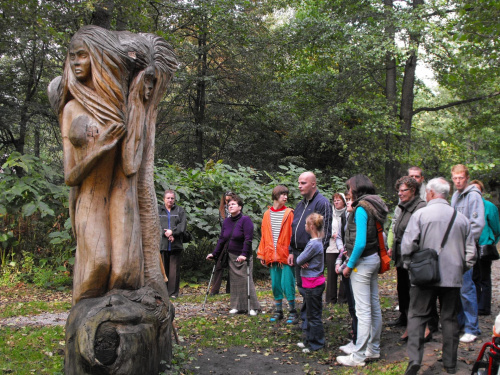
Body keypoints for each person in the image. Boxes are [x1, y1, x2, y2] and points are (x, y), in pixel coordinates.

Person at [401, 177, 477, 375]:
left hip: (424, 276)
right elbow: (471, 253)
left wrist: (411, 266)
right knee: (450, 319)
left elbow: (408, 245)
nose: (426, 194)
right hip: (452, 277)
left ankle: (415, 360)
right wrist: (461, 269)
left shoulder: (420, 215)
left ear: (432, 193)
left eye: (427, 192)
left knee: (417, 316)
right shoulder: (461, 218)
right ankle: (450, 364)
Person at [336, 174, 388, 367]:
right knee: (374, 307)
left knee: (363, 310)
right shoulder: (375, 204)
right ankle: (373, 350)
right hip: (374, 258)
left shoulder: (361, 208)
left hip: (363, 262)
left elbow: (359, 243)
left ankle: (358, 356)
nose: (348, 192)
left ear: (357, 189)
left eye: (349, 188)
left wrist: (349, 266)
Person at [287, 172, 332, 327]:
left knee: (311, 291)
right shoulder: (300, 205)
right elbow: (294, 229)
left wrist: (312, 258)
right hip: (298, 253)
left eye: (303, 183)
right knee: (303, 288)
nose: (299, 186)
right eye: (299, 183)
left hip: (311, 256)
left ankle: (310, 323)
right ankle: (307, 321)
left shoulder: (322, 203)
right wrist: (291, 251)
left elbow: (325, 233)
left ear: (313, 184)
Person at [207, 195, 261, 315]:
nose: (230, 206)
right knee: (235, 282)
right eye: (229, 205)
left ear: (240, 207)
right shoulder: (226, 221)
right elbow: (222, 239)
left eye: (233, 204)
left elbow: (248, 239)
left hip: (243, 256)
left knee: (246, 280)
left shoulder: (245, 220)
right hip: (231, 255)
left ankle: (253, 307)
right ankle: (237, 306)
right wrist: (214, 254)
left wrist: (244, 254)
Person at [389, 176, 426, 341]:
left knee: (414, 292)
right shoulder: (402, 206)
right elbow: (396, 226)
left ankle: (419, 326)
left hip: (414, 257)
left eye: (403, 190)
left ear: (413, 190)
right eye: (399, 190)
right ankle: (404, 316)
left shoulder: (420, 207)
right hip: (401, 255)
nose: (400, 193)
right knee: (402, 288)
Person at [451, 164, 485, 343]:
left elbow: (477, 225)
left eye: (461, 178)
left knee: (466, 288)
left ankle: (472, 327)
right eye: (455, 178)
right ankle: (461, 323)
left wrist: (464, 243)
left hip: (465, 249)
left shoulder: (473, 196)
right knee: (457, 288)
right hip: (454, 249)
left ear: (467, 178)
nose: (458, 181)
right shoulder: (455, 195)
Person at [257, 185, 296, 322]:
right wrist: (262, 253)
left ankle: (293, 312)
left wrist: (292, 252)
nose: (285, 197)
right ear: (275, 196)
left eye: (286, 194)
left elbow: (293, 235)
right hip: (271, 255)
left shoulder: (289, 213)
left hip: (285, 256)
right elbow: (264, 235)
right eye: (282, 194)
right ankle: (278, 312)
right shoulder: (267, 214)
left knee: (287, 284)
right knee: (275, 285)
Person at [296, 213, 326, 353]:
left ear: (312, 226)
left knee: (313, 316)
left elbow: (299, 260)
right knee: (310, 313)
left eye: (306, 224)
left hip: (313, 284)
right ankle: (309, 340)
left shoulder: (314, 244)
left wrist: (302, 261)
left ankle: (316, 344)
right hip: (310, 283)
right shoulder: (315, 242)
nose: (304, 226)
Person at [470, 180, 500, 316]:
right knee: (473, 276)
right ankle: (475, 304)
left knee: (484, 277)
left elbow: (496, 228)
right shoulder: (467, 206)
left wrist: (492, 240)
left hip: (484, 246)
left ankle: (484, 307)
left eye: (477, 190)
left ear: (481, 192)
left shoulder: (489, 206)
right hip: (470, 246)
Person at [336, 192, 358, 354]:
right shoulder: (346, 217)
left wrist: (346, 264)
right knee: (352, 304)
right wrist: (339, 260)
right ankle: (355, 335)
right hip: (346, 262)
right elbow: (343, 242)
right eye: (348, 200)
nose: (349, 203)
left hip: (356, 266)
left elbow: (358, 244)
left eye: (351, 200)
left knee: (358, 305)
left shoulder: (360, 218)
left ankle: (359, 340)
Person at [159, 189, 187, 298]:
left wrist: (173, 233)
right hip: (163, 244)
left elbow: (182, 225)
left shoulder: (180, 210)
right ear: (164, 199)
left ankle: (173, 293)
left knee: (174, 271)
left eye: (172, 198)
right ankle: (163, 292)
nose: (170, 200)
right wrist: (165, 233)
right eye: (168, 198)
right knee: (163, 270)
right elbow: (155, 224)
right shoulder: (159, 210)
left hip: (176, 244)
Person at [210, 191, 234, 295]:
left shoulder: (236, 209)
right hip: (224, 239)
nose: (228, 202)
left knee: (232, 265)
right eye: (226, 200)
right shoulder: (222, 210)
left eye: (230, 200)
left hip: (234, 240)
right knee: (219, 264)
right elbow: (223, 225)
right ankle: (215, 290)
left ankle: (230, 290)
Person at [325, 193, 347, 305]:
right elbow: (324, 228)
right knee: (331, 273)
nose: (336, 202)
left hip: (345, 247)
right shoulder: (330, 214)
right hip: (331, 247)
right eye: (334, 200)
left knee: (344, 272)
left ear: (344, 201)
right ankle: (330, 299)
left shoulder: (348, 213)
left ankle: (343, 299)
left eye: (338, 200)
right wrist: (332, 234)